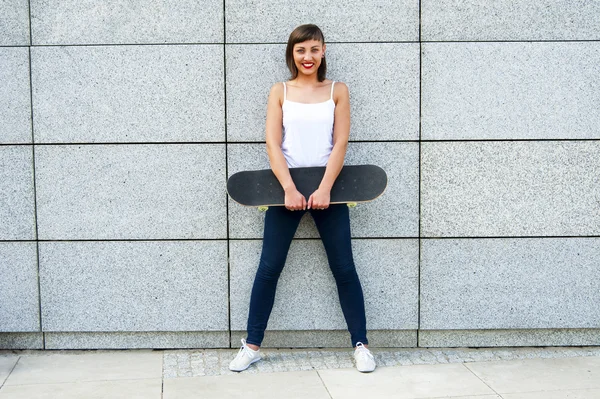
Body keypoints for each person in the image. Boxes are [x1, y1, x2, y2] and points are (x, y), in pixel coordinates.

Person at [229, 24, 376, 373]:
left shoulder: (337, 90)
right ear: (291, 53)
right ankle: (252, 345)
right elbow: (272, 143)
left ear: (323, 51)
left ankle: (361, 345)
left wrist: (325, 187)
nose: (307, 57)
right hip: (286, 191)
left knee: (344, 268)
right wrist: (289, 189)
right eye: (300, 50)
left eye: (313, 49)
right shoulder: (279, 91)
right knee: (269, 268)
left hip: (331, 190)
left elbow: (340, 142)